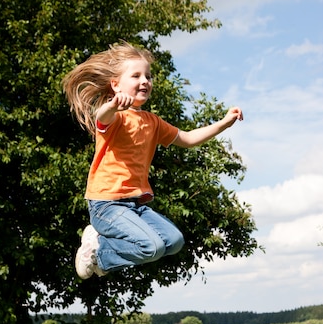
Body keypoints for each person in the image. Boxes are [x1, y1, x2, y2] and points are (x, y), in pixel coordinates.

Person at [63, 41, 243, 279]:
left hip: (135, 205)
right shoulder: (115, 117)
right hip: (107, 205)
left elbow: (187, 139)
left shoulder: (153, 121)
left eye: (148, 76)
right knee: (152, 247)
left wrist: (223, 123)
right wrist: (112, 105)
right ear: (115, 85)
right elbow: (101, 117)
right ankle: (99, 252)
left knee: (173, 241)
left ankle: (100, 253)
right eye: (136, 75)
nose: (145, 81)